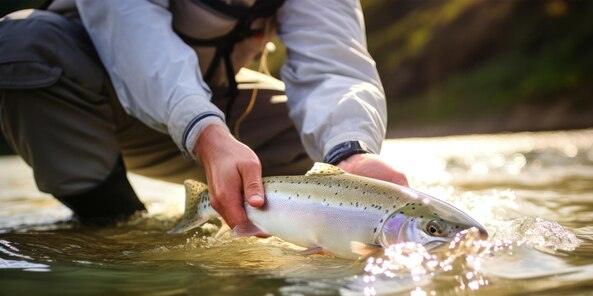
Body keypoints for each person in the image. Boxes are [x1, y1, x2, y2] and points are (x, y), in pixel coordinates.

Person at [0, 0, 408, 229]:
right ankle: (112, 224)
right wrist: (206, 133)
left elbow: (333, 68)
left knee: (321, 145)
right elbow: (139, 40)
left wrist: (348, 153)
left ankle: (258, 214)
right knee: (23, 46)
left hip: (219, 109)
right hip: (90, 101)